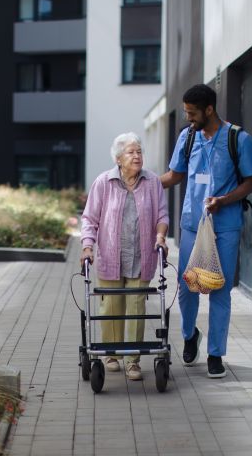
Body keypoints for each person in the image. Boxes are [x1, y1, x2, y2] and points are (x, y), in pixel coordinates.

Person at [160, 84, 252, 378]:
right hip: (192, 223)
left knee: (219, 288)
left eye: (192, 113)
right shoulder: (187, 137)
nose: (188, 118)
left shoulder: (238, 139)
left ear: (209, 110)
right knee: (188, 284)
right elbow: (176, 175)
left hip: (225, 225)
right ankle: (190, 335)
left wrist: (225, 200)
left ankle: (216, 353)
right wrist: (144, 182)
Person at [81, 132, 169, 381]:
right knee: (110, 305)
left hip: (142, 257)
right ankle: (111, 354)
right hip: (110, 256)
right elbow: (90, 219)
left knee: (136, 307)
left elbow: (162, 216)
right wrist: (87, 246)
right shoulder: (103, 182)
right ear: (119, 159)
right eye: (131, 152)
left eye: (139, 151)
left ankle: (132, 360)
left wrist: (160, 237)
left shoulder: (152, 182)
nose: (137, 156)